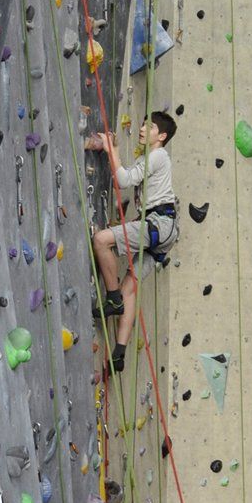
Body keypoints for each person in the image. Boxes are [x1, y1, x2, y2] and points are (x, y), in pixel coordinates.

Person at [91, 111, 179, 371]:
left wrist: (109, 149)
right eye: (142, 124)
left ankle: (112, 298)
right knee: (130, 288)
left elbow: (123, 180)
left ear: (161, 136)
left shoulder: (158, 155)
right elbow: (128, 174)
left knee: (101, 240)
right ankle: (119, 354)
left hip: (158, 224)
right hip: (164, 232)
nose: (142, 129)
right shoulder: (152, 158)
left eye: (149, 127)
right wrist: (116, 150)